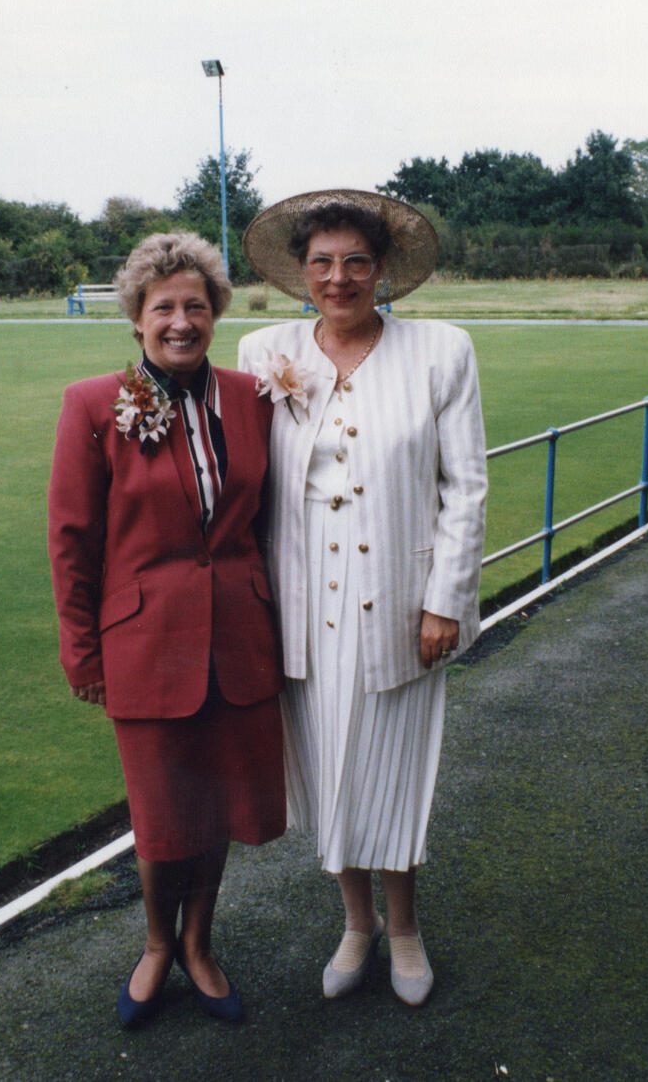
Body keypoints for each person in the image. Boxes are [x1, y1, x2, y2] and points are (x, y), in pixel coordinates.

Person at [237, 190, 487, 1007]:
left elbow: (466, 487)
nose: (337, 278)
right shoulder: (263, 350)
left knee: (394, 770)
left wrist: (445, 599)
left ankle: (405, 928)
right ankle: (355, 923)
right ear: (300, 272)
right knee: (325, 772)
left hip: (400, 603)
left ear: (382, 272)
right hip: (302, 606)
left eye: (354, 262)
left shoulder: (441, 351)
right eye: (321, 262)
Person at [48, 232, 285, 1028]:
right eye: (163, 308)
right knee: (161, 810)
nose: (180, 321)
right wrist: (82, 650)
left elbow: (272, 517)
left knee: (217, 805)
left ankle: (200, 945)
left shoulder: (253, 398)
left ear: (215, 312)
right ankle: (156, 944)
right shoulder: (94, 404)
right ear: (137, 320)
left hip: (240, 638)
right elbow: (72, 538)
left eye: (195, 305)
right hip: (145, 647)